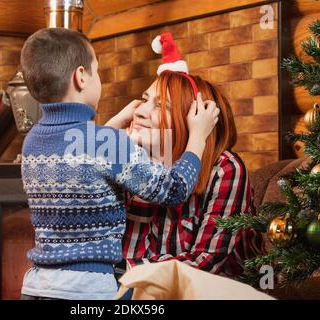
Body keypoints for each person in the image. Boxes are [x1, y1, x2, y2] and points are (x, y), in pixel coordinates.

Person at [19, 28, 219, 300]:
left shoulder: (33, 141)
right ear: (81, 77)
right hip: (86, 289)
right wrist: (197, 136)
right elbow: (173, 189)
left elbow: (82, 159)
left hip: (37, 284)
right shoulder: (106, 142)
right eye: (97, 71)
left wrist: (112, 126)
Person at [119, 32, 263, 278]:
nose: (140, 111)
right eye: (143, 100)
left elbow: (205, 262)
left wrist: (130, 271)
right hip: (151, 290)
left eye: (161, 106)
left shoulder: (226, 170)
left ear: (193, 121)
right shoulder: (138, 163)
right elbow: (125, 253)